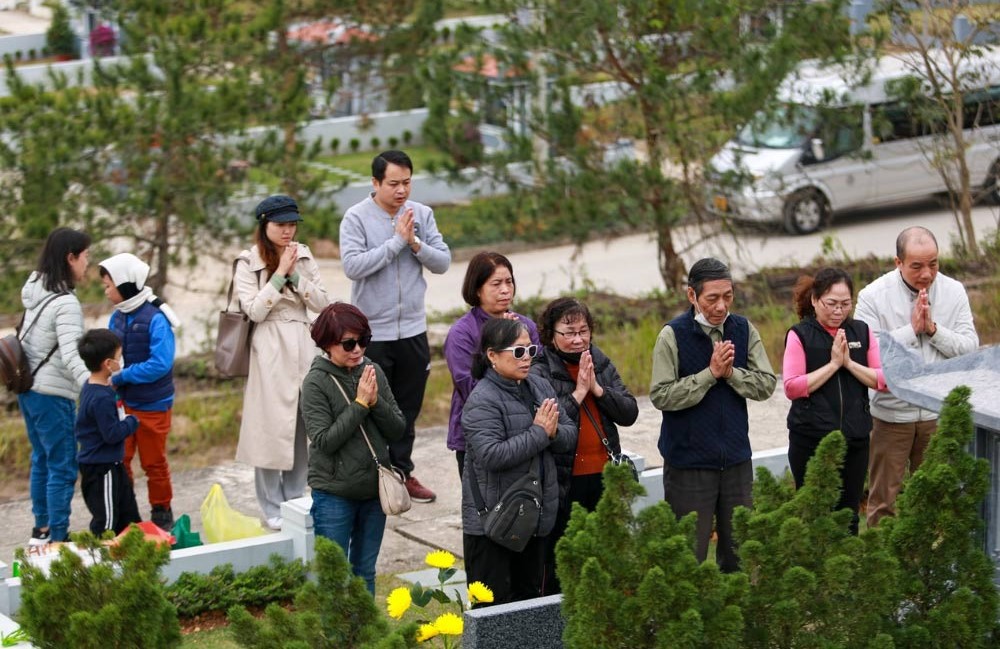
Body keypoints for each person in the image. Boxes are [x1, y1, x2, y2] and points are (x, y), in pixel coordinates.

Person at [650, 257, 776, 572]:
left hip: (736, 460)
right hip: (688, 465)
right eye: (712, 298)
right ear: (692, 296)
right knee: (688, 558)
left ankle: (737, 617)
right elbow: (661, 395)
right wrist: (710, 374)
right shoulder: (672, 335)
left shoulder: (743, 329)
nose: (721, 306)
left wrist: (731, 374)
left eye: (728, 296)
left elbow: (766, 385)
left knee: (740, 555)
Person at [340, 150, 451, 503]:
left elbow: (443, 262)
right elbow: (353, 267)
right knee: (371, 408)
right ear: (375, 183)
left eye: (406, 182)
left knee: (407, 408)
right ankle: (371, 477)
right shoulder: (355, 218)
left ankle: (402, 473)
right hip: (373, 334)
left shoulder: (422, 214)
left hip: (413, 331)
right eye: (393, 184)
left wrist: (415, 242)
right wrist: (395, 244)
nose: (401, 190)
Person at [854, 226, 978, 527]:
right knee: (884, 502)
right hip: (890, 415)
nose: (927, 274)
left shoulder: (954, 291)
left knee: (938, 497)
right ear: (898, 263)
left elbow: (970, 348)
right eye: (917, 266)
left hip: (938, 413)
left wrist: (933, 330)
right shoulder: (872, 296)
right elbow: (868, 354)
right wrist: (911, 331)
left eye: (933, 264)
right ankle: (882, 567)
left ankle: (934, 569)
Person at [461, 318, 577, 605]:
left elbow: (569, 434)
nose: (527, 359)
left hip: (535, 517)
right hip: (493, 523)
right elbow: (492, 455)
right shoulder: (482, 401)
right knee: (494, 614)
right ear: (492, 355)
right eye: (518, 352)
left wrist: (548, 434)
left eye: (531, 350)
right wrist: (540, 433)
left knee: (530, 608)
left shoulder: (538, 385)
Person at [530, 297, 638, 594]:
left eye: (583, 331)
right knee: (565, 559)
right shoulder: (540, 370)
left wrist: (598, 390)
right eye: (569, 332)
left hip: (604, 474)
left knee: (607, 554)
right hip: (565, 479)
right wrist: (578, 394)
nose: (578, 339)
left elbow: (629, 412)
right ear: (551, 335)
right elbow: (547, 422)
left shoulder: (598, 361)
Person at [235, 195, 330, 530]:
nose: (288, 231)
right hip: (270, 348)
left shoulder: (303, 254)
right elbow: (255, 310)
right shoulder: (247, 262)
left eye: (292, 224)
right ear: (265, 225)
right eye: (281, 225)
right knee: (270, 429)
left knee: (302, 425)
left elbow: (322, 302)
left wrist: (296, 278)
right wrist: (279, 275)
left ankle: (295, 499)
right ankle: (271, 505)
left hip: (304, 344)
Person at [300, 303, 405, 596]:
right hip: (334, 494)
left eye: (363, 340)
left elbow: (397, 429)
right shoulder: (315, 383)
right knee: (334, 577)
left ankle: (365, 638)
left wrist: (374, 403)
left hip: (374, 491)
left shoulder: (373, 371)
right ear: (327, 344)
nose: (358, 349)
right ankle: (335, 640)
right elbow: (324, 441)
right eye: (349, 343)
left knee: (365, 572)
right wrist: (359, 405)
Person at [783, 268, 886, 534]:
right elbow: (792, 387)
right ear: (815, 300)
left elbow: (882, 380)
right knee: (814, 515)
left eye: (845, 303)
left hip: (855, 439)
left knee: (848, 515)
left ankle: (847, 570)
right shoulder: (800, 335)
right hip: (810, 439)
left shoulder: (861, 332)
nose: (838, 311)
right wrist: (832, 365)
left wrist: (849, 364)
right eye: (831, 304)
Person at [18, 227, 91, 545]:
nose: (88, 263)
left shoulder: (37, 289)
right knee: (62, 465)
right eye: (86, 256)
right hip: (53, 394)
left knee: (42, 459)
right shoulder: (65, 303)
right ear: (70, 258)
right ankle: (58, 537)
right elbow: (73, 353)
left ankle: (42, 529)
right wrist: (94, 386)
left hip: (28, 390)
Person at [99, 252, 181, 530]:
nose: (106, 291)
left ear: (124, 285)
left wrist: (123, 375)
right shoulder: (117, 318)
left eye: (108, 285)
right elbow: (111, 356)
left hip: (153, 404)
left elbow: (160, 363)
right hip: (123, 403)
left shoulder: (156, 318)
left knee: (153, 462)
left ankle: (161, 509)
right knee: (120, 459)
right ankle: (126, 508)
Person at [444, 251, 540, 477]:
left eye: (509, 282)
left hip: (526, 428)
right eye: (496, 284)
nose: (505, 290)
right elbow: (468, 386)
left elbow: (539, 376)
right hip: (481, 431)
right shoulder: (461, 333)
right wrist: (500, 341)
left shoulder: (526, 326)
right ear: (477, 290)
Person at [75, 328, 142, 536]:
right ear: (107, 364)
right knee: (107, 522)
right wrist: (132, 422)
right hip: (101, 468)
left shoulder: (93, 386)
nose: (120, 363)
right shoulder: (101, 398)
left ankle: (133, 551)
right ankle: (101, 560)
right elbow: (111, 434)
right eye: (118, 358)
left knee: (129, 515)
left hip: (113, 464)